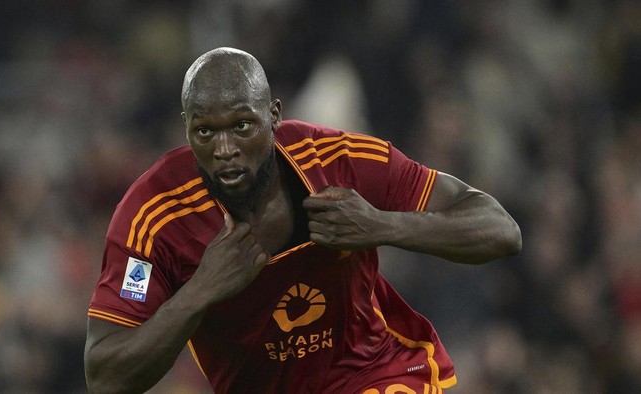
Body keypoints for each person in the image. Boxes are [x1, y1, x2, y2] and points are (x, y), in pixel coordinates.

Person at [84, 47, 521, 394]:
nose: (224, 149)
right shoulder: (152, 215)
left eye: (242, 126)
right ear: (186, 129)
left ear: (274, 116)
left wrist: (383, 226)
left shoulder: (340, 160)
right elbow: (105, 375)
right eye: (204, 131)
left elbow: (500, 229)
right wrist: (198, 293)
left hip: (377, 376)